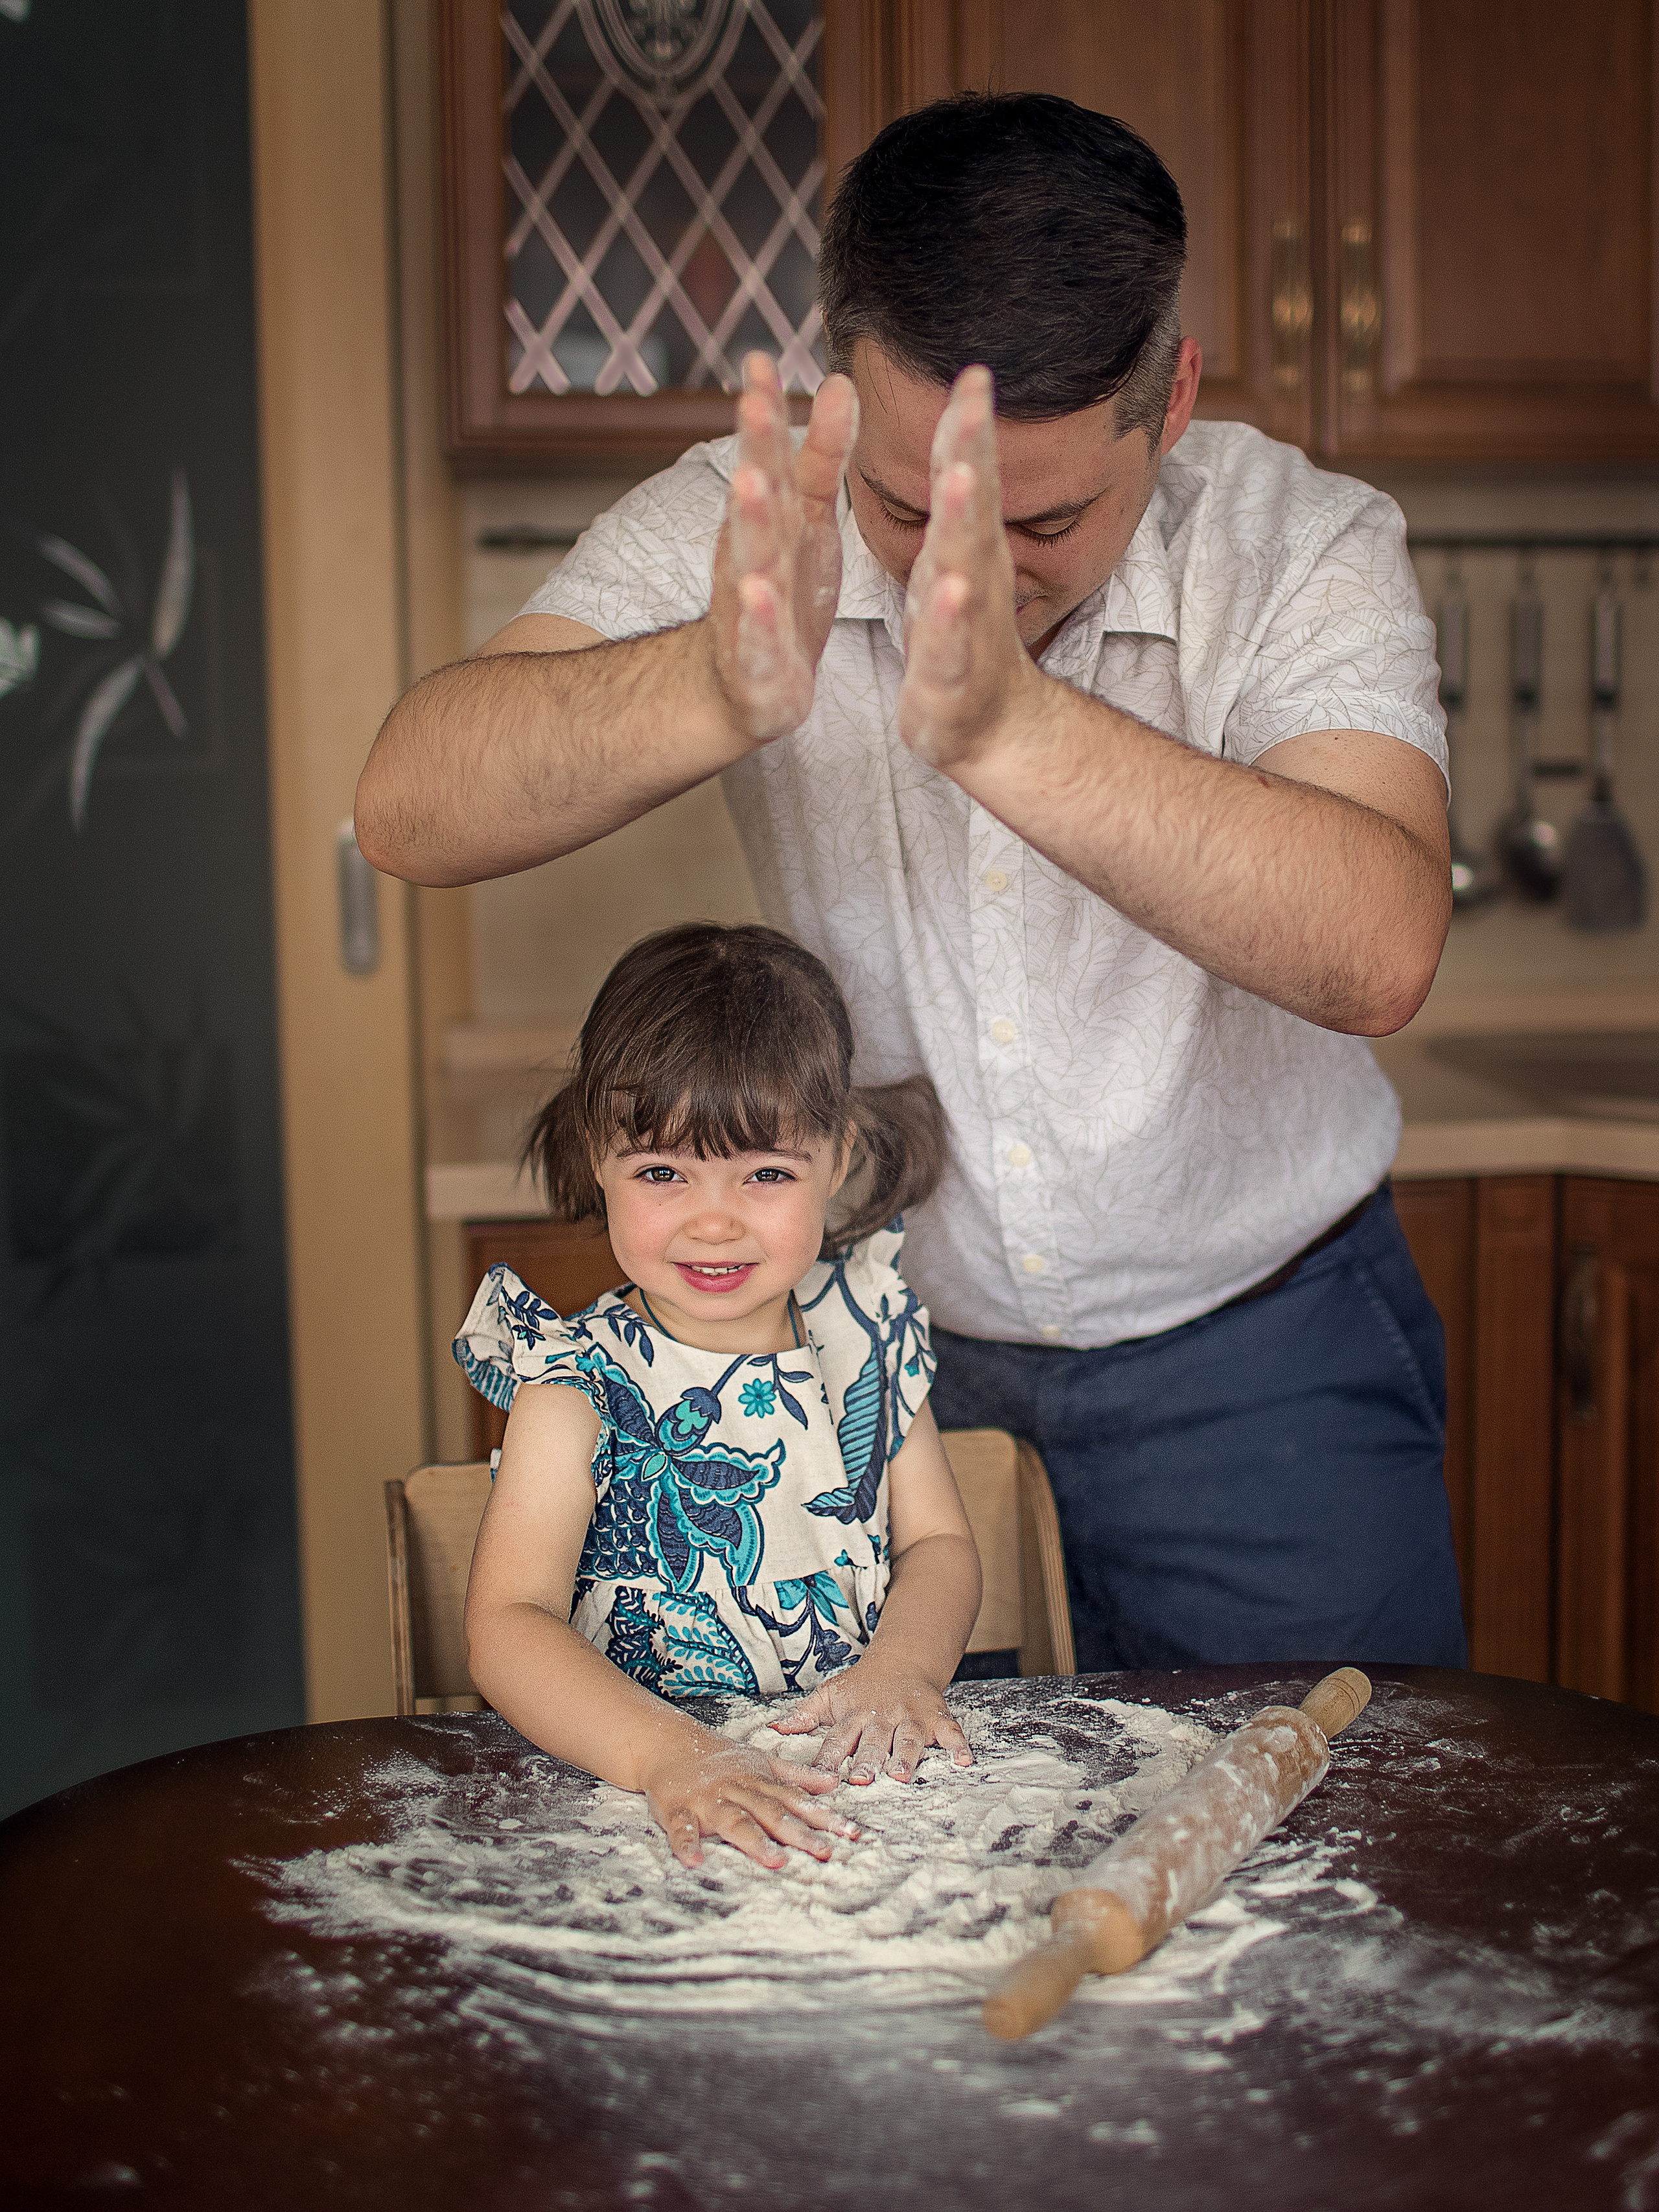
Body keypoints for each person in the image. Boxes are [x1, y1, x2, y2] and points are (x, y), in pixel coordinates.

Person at [361, 93, 1466, 1673]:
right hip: (874, 1371)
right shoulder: (747, 515)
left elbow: (1376, 950)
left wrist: (1014, 725)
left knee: (1331, 1862)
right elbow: (410, 807)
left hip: (1264, 1364)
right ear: (839, 393)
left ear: (1173, 397)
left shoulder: (1301, 542)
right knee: (930, 1883)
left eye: (1047, 519)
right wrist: (706, 685)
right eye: (902, 504)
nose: (966, 565)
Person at [457, 922, 982, 1872]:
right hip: (647, 1817)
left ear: (838, 1158)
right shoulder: (577, 1385)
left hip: (856, 1805)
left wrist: (903, 1669)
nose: (713, 1219)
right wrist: (670, 1756)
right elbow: (507, 1624)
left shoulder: (861, 1340)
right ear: (598, 1155)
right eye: (663, 1171)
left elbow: (937, 1541)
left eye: (767, 1173)